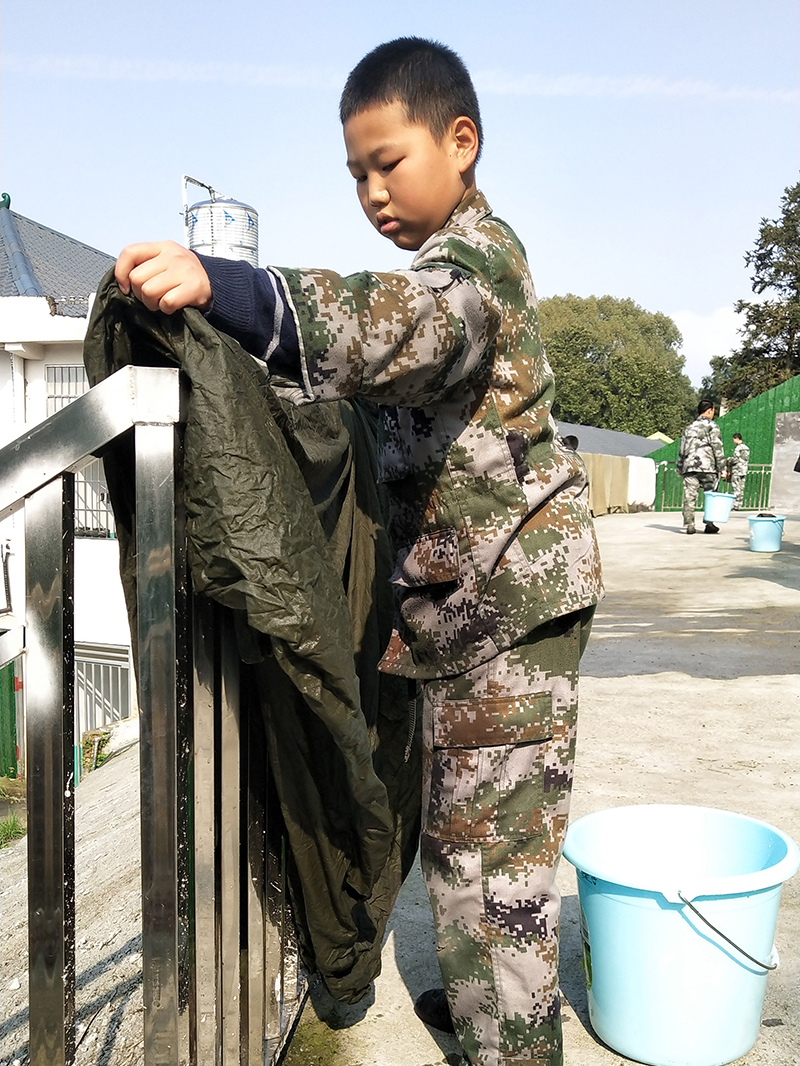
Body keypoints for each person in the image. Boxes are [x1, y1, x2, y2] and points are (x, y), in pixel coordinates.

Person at [115, 38, 602, 1066]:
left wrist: (240, 292)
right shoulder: (445, 259)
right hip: (468, 611)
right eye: (355, 175)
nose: (373, 193)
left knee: (491, 872)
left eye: (389, 162)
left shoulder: (474, 265)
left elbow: (408, 329)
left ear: (459, 142)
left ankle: (509, 1041)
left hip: (510, 611)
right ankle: (487, 1009)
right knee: (461, 843)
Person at [676, 399, 725, 535]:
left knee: (689, 496)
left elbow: (682, 448)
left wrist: (680, 467)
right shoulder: (712, 426)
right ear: (709, 410)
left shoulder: (689, 427)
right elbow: (717, 447)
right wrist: (722, 467)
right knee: (711, 496)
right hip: (708, 467)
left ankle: (689, 524)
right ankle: (709, 524)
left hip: (690, 467)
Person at [726, 432, 750, 509]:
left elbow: (735, 459)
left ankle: (734, 505)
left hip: (737, 470)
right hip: (743, 470)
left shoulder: (738, 448)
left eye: (733, 439)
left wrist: (729, 460)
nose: (733, 441)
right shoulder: (746, 448)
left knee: (735, 487)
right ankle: (739, 504)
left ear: (736, 438)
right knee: (741, 488)